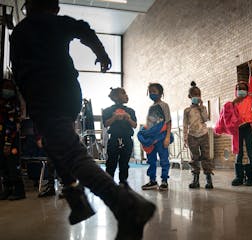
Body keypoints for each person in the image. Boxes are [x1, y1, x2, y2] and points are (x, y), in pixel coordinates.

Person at [10, 1, 155, 239]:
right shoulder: (58, 22)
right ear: (54, 7)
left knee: (69, 151)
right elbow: (84, 29)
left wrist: (29, 107)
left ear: (28, 6)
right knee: (55, 143)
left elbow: (19, 75)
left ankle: (125, 205)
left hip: (44, 96)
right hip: (68, 94)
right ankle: (77, 199)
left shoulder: (21, 31)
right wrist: (102, 54)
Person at [215, 74, 252, 186]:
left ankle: (251, 177)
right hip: (237, 130)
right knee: (239, 152)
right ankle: (239, 177)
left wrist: (250, 71)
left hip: (247, 127)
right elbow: (226, 116)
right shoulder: (232, 103)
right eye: (239, 89)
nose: (241, 90)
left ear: (247, 90)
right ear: (236, 91)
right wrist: (233, 103)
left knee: (250, 151)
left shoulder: (250, 98)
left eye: (244, 89)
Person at [138, 83, 172, 191]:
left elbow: (168, 122)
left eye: (154, 91)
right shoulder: (150, 107)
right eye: (150, 92)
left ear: (160, 93)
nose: (152, 94)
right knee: (151, 160)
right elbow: (150, 123)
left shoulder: (164, 105)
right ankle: (152, 181)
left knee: (164, 159)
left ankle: (164, 181)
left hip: (161, 137)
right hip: (151, 139)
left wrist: (167, 137)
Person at [102, 87, 137, 186]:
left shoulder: (130, 110)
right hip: (114, 139)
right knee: (111, 162)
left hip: (127, 139)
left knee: (124, 162)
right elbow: (106, 124)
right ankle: (109, 182)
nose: (126, 95)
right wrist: (114, 117)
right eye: (123, 93)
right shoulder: (108, 110)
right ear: (116, 97)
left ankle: (123, 181)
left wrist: (128, 118)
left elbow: (134, 125)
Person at [183, 81, 214, 189]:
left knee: (206, 157)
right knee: (194, 158)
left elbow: (206, 119)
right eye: (194, 95)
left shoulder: (203, 108)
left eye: (198, 95)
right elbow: (185, 124)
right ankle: (195, 180)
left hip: (204, 134)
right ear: (190, 96)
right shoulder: (187, 110)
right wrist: (185, 137)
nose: (196, 97)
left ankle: (208, 180)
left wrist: (201, 107)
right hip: (192, 136)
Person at [0, 79, 26, 201]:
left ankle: (19, 190)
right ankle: (8, 189)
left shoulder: (13, 104)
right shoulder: (2, 102)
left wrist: (8, 143)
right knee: (4, 165)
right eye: (5, 87)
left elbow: (13, 125)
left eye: (9, 88)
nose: (7, 90)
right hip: (2, 137)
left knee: (13, 165)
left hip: (11, 139)